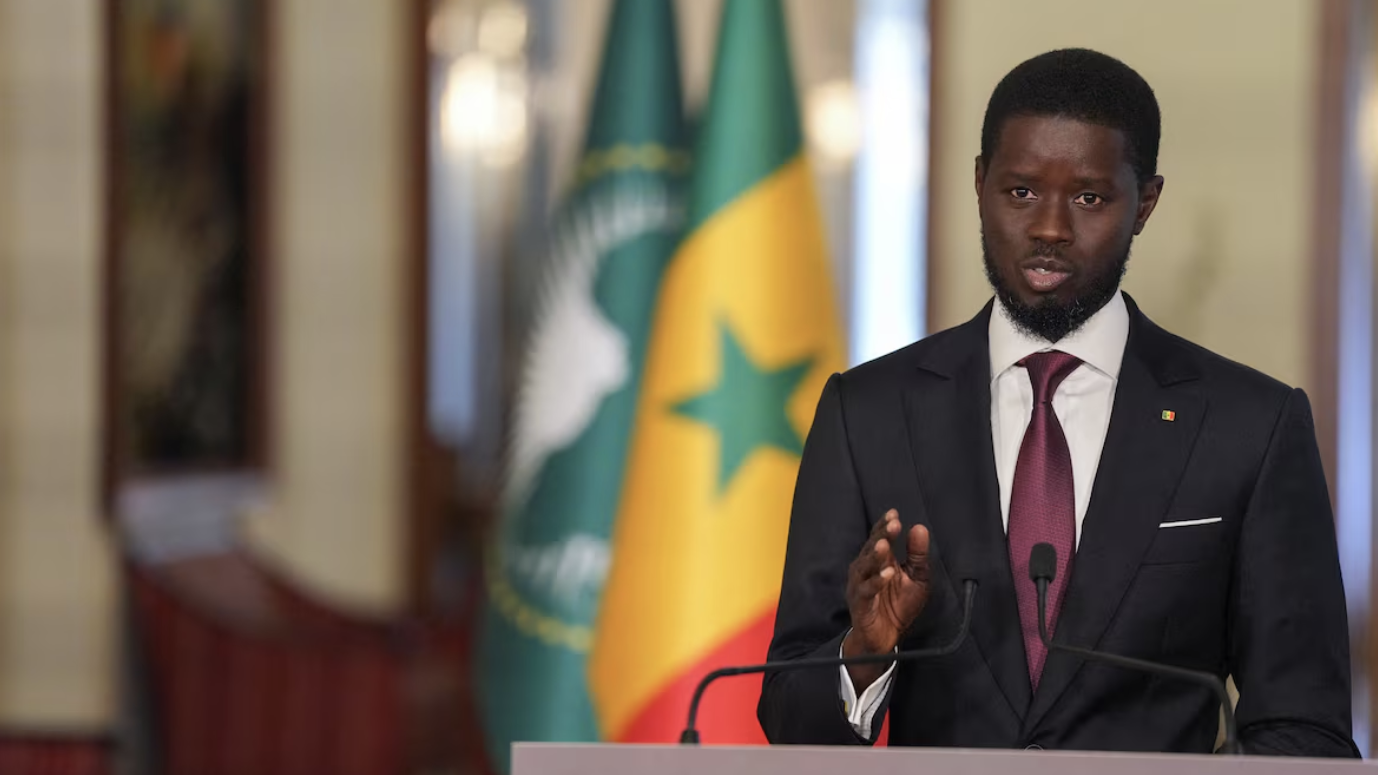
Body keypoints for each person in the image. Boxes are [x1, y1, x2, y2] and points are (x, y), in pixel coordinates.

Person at [757, 48, 1357, 756]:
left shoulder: (1249, 427)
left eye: (1089, 198)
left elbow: (1305, 728)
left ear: (1146, 203)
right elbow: (789, 718)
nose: (1049, 228)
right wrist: (863, 655)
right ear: (979, 184)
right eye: (1020, 192)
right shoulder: (868, 413)